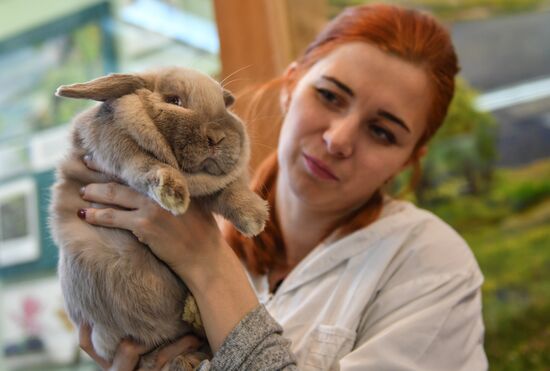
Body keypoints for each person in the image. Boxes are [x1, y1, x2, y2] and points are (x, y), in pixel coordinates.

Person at [75, 3, 488, 370]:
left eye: (381, 132)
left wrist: (208, 266)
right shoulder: (165, 227)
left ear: (410, 157)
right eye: (329, 96)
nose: (338, 139)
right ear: (291, 86)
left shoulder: (429, 264)